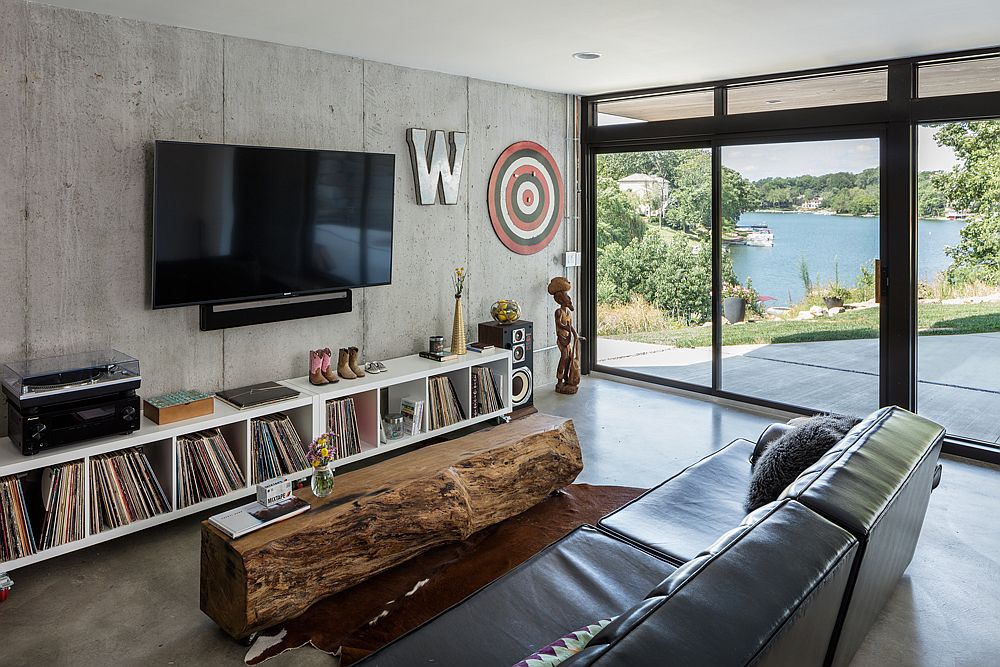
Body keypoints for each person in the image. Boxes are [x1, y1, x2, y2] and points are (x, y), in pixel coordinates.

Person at [547, 276, 580, 395]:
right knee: (564, 358)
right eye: (567, 298)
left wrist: (573, 332)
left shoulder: (568, 312)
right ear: (561, 300)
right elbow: (559, 323)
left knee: (570, 358)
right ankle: (559, 379)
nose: (569, 300)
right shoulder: (559, 312)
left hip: (568, 338)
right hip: (562, 339)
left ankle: (567, 378)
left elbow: (569, 324)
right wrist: (568, 328)